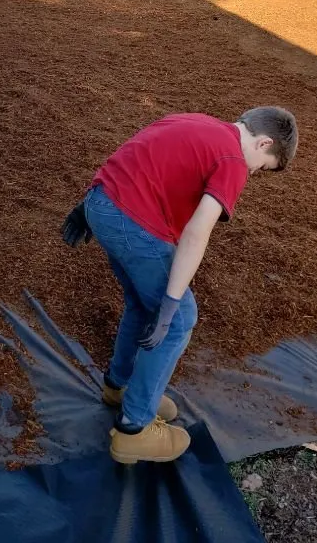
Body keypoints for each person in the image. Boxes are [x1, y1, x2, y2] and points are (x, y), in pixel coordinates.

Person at [62, 107, 298, 465]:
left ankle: (120, 386)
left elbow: (133, 152)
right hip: (132, 225)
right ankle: (134, 429)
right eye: (262, 165)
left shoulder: (195, 121)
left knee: (143, 305)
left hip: (102, 205)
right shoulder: (234, 160)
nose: (253, 172)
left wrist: (89, 205)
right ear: (264, 142)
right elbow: (197, 232)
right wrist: (172, 305)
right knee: (179, 319)